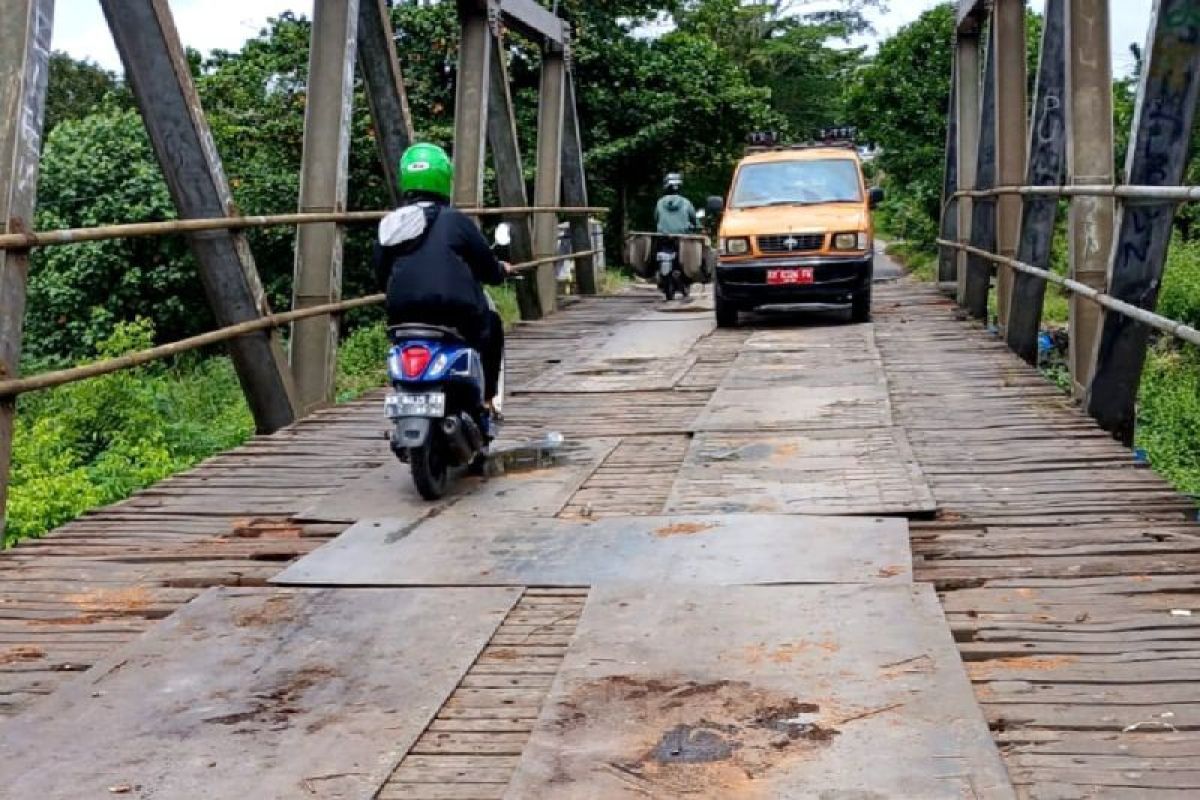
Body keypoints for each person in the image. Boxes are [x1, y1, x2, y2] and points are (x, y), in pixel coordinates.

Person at [372, 143, 509, 407]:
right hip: (454, 309)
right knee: (492, 327)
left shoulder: (390, 224)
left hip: (402, 312)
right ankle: (487, 399)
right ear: (444, 177)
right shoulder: (455, 221)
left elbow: (380, 275)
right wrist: (500, 270)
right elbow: (488, 269)